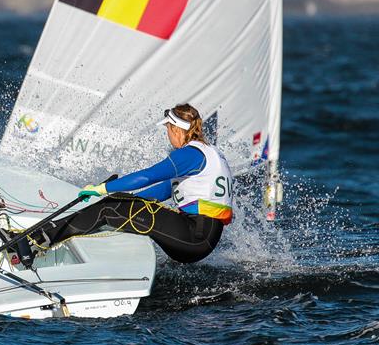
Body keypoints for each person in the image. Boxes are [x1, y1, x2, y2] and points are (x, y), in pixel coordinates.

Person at [31, 104, 233, 264]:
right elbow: (164, 189)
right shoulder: (210, 152)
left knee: (107, 209)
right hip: (202, 238)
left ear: (176, 129)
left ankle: (36, 241)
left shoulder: (188, 154)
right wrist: (126, 200)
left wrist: (101, 189)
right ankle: (86, 245)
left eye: (168, 129)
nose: (168, 135)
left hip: (194, 236)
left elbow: (148, 176)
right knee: (117, 205)